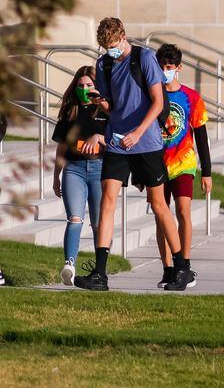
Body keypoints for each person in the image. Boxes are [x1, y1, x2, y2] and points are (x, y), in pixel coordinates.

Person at [74, 17, 191, 291]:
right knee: (108, 201)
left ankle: (181, 267)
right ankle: (100, 273)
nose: (110, 51)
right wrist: (99, 102)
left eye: (113, 45)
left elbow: (158, 101)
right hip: (117, 141)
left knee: (158, 203)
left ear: (123, 37)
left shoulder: (145, 58)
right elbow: (111, 105)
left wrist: (138, 132)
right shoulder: (104, 64)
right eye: (105, 46)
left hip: (146, 142)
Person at [152, 44, 212, 289]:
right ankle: (167, 267)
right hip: (156, 161)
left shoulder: (192, 97)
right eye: (161, 67)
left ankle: (184, 264)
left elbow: (201, 135)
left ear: (178, 68)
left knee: (183, 212)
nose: (165, 71)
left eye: (169, 67)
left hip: (183, 162)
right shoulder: (152, 95)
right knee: (160, 215)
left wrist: (206, 171)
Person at [51, 66, 109, 286]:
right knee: (75, 218)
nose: (85, 89)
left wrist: (99, 138)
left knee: (97, 223)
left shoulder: (105, 110)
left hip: (99, 169)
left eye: (89, 85)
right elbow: (61, 148)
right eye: (81, 85)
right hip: (73, 169)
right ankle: (69, 264)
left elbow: (117, 139)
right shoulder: (69, 111)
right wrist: (56, 176)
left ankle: (99, 269)